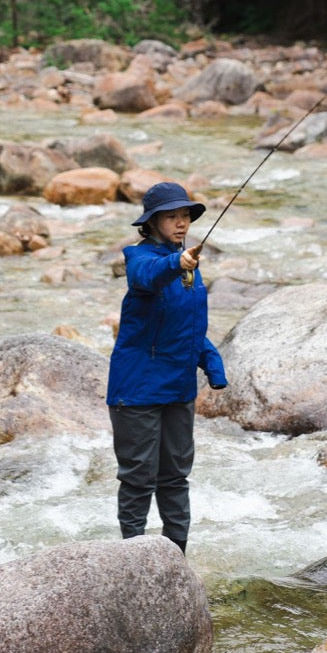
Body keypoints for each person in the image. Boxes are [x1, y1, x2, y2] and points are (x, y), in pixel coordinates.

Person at [106, 181, 227, 554]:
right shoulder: (140, 258)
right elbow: (147, 277)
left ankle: (176, 558)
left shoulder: (189, 267)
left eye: (185, 216)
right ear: (152, 223)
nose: (180, 224)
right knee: (139, 478)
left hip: (178, 388)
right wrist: (177, 262)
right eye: (171, 217)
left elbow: (187, 326)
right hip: (137, 389)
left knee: (175, 478)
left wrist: (211, 362)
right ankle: (134, 558)